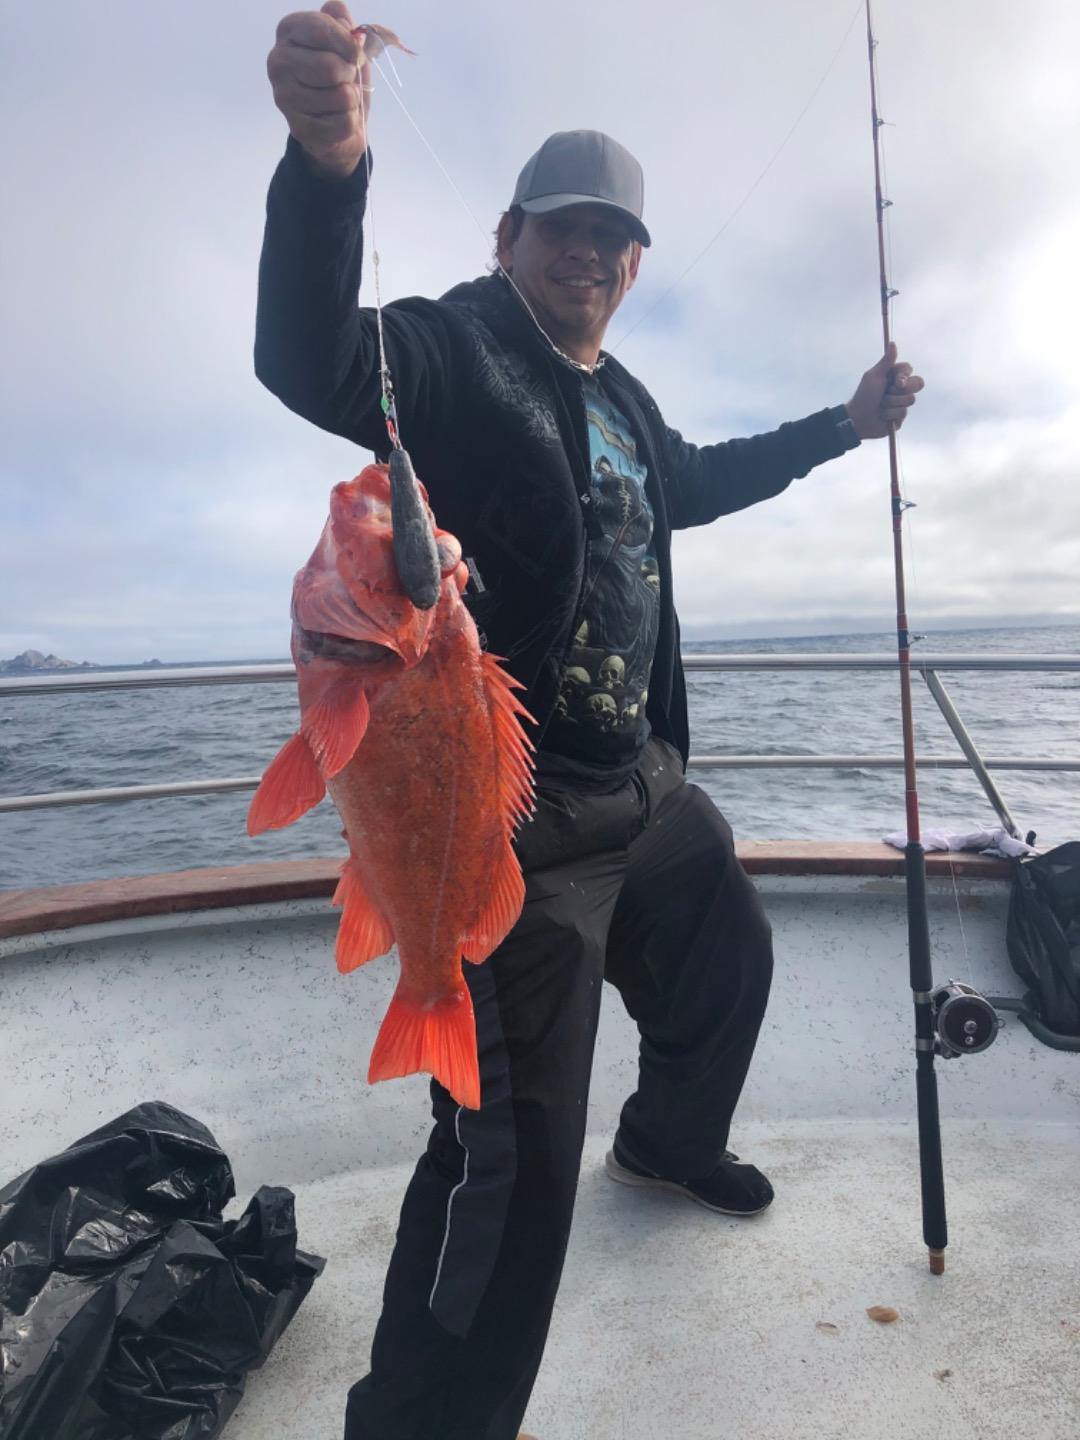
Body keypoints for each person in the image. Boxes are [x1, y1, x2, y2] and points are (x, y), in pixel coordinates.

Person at [257, 7, 924, 1437]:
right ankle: (421, 1420)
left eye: (613, 235)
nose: (588, 251)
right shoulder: (451, 346)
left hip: (643, 787)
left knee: (727, 950)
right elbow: (314, 357)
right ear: (510, 236)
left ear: (636, 264)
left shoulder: (621, 394)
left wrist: (843, 426)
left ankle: (672, 1145)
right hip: (515, 823)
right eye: (562, 225)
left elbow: (697, 481)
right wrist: (327, 162)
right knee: (512, 1156)